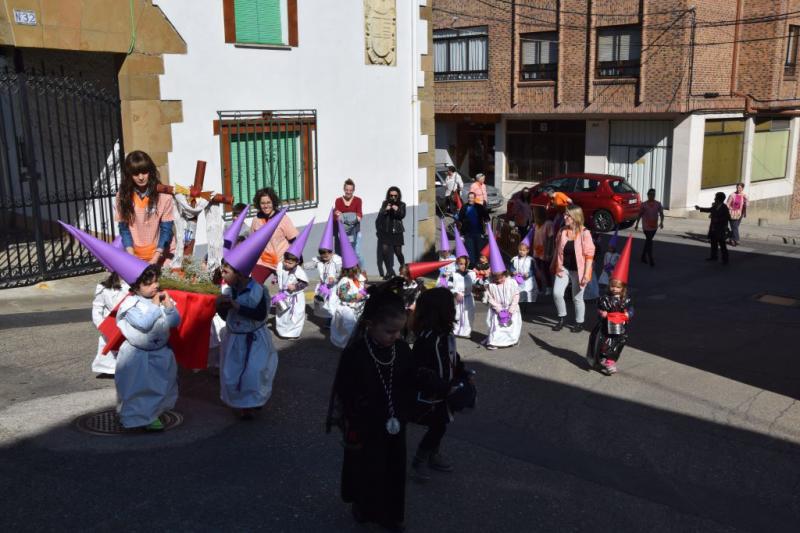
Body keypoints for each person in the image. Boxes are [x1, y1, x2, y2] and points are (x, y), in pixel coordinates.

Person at [326, 279, 417, 531]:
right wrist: (359, 413)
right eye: (389, 331)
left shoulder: (400, 349)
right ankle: (365, 508)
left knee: (395, 470)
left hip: (395, 421)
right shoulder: (357, 353)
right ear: (369, 325)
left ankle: (392, 515)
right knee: (369, 470)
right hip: (367, 424)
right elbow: (345, 390)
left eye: (399, 331)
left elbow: (409, 379)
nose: (396, 336)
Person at [410, 287, 473, 482]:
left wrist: (462, 371)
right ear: (440, 311)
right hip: (431, 395)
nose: (454, 309)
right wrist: (440, 386)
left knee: (442, 424)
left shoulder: (445, 335)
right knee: (438, 426)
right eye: (451, 307)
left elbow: (452, 357)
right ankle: (419, 461)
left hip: (446, 390)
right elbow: (418, 369)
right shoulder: (427, 339)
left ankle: (432, 453)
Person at [115, 265, 180, 430]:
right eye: (149, 284)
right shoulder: (131, 304)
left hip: (160, 352)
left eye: (156, 281)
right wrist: (154, 306)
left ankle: (151, 414)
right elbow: (143, 324)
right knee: (137, 387)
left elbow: (174, 322)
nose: (155, 286)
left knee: (158, 386)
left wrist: (169, 306)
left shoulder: (160, 298)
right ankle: (135, 418)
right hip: (138, 355)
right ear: (136, 287)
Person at [216, 261, 278, 419]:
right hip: (235, 339)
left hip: (254, 339)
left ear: (240, 273)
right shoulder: (229, 291)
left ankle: (253, 400)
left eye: (225, 272)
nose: (222, 275)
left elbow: (260, 315)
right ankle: (244, 404)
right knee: (234, 373)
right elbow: (226, 317)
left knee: (254, 372)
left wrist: (237, 306)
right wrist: (220, 307)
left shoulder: (259, 290)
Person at [116, 150, 174, 264]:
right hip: (134, 254)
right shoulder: (122, 196)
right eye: (136, 174)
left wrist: (155, 259)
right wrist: (131, 257)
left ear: (150, 172)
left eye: (144, 172)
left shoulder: (164, 196)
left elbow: (166, 229)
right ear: (129, 175)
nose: (141, 177)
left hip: (161, 254)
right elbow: (124, 228)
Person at [587, 235, 634, 376]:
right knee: (606, 343)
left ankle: (610, 361)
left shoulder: (625, 299)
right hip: (607, 327)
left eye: (618, 287)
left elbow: (630, 309)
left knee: (618, 343)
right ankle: (606, 361)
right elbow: (600, 308)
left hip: (620, 327)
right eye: (612, 286)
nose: (614, 289)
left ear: (622, 288)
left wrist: (628, 314)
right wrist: (602, 313)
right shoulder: (605, 298)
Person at [550, 204, 595, 333]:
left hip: (579, 271)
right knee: (557, 293)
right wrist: (554, 265)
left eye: (567, 215)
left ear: (575, 217)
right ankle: (562, 318)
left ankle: (579, 322)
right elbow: (557, 250)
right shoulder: (562, 231)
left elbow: (589, 255)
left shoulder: (585, 233)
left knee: (577, 298)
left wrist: (586, 274)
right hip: (563, 268)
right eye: (565, 214)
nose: (564, 217)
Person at [484, 227, 521, 350]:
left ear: (505, 274)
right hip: (498, 310)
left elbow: (516, 295)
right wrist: (499, 309)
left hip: (511, 308)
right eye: (496, 278)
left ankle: (511, 340)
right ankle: (494, 341)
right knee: (497, 326)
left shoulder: (511, 283)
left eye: (501, 278)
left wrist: (511, 309)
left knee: (512, 326)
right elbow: (490, 298)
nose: (499, 280)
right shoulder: (491, 285)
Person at [250, 188, 299, 284]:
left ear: (273, 202)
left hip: (283, 261)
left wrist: (298, 259)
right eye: (262, 203)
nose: (266, 206)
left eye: (268, 202)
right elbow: (252, 241)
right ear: (258, 204)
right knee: (253, 286)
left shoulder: (283, 218)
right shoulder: (256, 220)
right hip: (263, 261)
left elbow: (293, 240)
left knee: (288, 289)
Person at [91, 272, 129, 377]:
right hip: (110, 323)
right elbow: (97, 307)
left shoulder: (132, 286)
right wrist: (101, 325)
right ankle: (110, 368)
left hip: (128, 321)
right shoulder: (103, 288)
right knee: (107, 344)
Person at [274, 250, 309, 340]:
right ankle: (283, 332)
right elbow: (278, 274)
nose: (287, 264)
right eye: (285, 261)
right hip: (283, 295)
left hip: (295, 298)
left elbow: (304, 283)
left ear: (297, 262)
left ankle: (294, 333)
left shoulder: (299, 271)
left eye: (290, 263)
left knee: (295, 315)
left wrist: (295, 286)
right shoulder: (281, 265)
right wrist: (276, 279)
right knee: (282, 314)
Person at [376, 187, 406, 280]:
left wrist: (397, 209)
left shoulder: (402, 204)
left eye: (395, 195)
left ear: (398, 195)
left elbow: (402, 216)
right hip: (386, 231)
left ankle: (404, 269)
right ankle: (389, 271)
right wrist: (386, 209)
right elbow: (380, 215)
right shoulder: (385, 203)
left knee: (398, 252)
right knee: (384, 251)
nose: (393, 197)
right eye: (391, 195)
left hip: (396, 231)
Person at [335, 179, 366, 270]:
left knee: (357, 253)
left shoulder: (358, 200)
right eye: (347, 190)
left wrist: (344, 217)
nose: (348, 192)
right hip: (343, 232)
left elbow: (359, 215)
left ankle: (362, 272)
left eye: (350, 190)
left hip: (355, 231)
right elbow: (337, 216)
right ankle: (348, 273)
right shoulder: (338, 201)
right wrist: (352, 217)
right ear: (344, 189)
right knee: (345, 254)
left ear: (353, 190)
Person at [696, 192, 731, 265]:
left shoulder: (724, 207)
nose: (714, 199)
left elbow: (727, 217)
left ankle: (725, 259)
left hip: (720, 229)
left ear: (719, 199)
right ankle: (714, 256)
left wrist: (718, 220)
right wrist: (700, 208)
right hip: (713, 228)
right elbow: (709, 210)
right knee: (713, 244)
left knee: (722, 245)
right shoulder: (715, 206)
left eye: (716, 197)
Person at [457, 192, 490, 265]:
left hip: (478, 232)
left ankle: (479, 263)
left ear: (475, 198)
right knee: (470, 249)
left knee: (479, 248)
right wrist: (460, 233)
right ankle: (472, 264)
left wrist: (487, 226)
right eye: (469, 197)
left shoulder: (480, 207)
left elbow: (487, 218)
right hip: (468, 233)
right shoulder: (464, 207)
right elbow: (460, 220)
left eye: (472, 198)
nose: (470, 199)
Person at [634, 188, 664, 267]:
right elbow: (640, 214)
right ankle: (651, 258)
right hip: (646, 227)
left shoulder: (658, 204)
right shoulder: (644, 204)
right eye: (650, 194)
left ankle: (643, 256)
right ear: (648, 195)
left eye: (653, 194)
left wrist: (661, 222)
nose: (652, 196)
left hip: (654, 227)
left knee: (648, 241)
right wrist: (637, 224)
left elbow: (661, 213)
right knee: (649, 241)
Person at [451, 256, 476, 338]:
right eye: (461, 264)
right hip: (458, 298)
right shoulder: (453, 275)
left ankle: (467, 332)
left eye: (465, 264)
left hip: (468, 298)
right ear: (457, 264)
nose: (463, 266)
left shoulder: (471, 273)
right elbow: (449, 286)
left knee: (468, 315)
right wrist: (455, 294)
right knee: (457, 314)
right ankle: (456, 330)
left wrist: (484, 281)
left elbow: (476, 283)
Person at [531, 205, 554, 295]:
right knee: (536, 270)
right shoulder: (535, 224)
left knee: (546, 270)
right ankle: (539, 288)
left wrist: (549, 252)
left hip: (545, 252)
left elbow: (551, 238)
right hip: (536, 251)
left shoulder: (548, 224)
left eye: (534, 214)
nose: (533, 215)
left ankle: (549, 287)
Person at [510, 241, 537, 312]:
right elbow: (512, 267)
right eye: (520, 250)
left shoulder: (530, 260)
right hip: (518, 278)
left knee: (527, 292)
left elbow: (533, 270)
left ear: (527, 251)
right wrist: (513, 271)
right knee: (518, 292)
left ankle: (526, 307)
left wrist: (529, 274)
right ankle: (520, 306)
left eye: (523, 250)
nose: (521, 252)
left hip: (527, 280)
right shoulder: (515, 259)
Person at [726, 182, 748, 246]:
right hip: (732, 213)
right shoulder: (732, 195)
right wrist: (731, 208)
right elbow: (727, 204)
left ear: (743, 188)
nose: (739, 189)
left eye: (740, 188)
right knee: (735, 227)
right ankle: (737, 239)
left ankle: (731, 239)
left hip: (740, 214)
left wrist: (746, 201)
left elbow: (746, 205)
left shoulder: (744, 196)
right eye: (738, 187)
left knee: (735, 227)